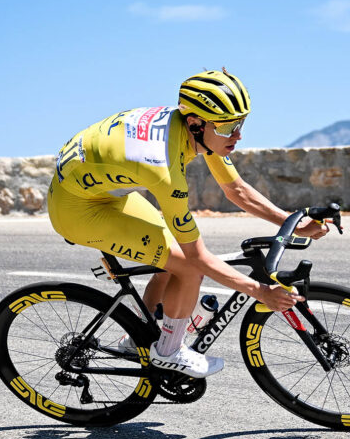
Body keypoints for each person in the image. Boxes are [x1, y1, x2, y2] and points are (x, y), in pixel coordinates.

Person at [46, 68, 329, 378]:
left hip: (102, 193)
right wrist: (259, 290)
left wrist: (293, 224)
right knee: (188, 264)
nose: (238, 135)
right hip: (78, 211)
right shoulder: (163, 168)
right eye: (229, 128)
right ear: (195, 123)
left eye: (241, 124)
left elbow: (235, 190)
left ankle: (134, 341)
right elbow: (197, 258)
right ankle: (168, 351)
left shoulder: (197, 129)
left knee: (173, 256)